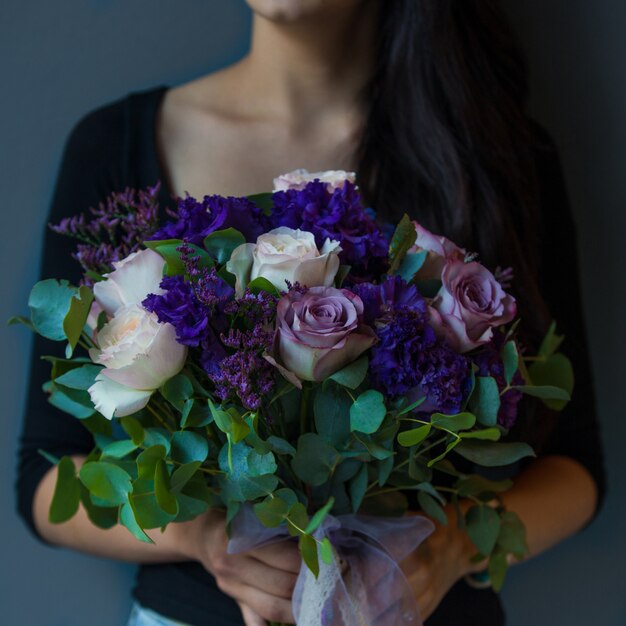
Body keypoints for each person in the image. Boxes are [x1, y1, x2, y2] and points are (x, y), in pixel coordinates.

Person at [16, 1, 605, 625]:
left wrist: (453, 545)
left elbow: (576, 468)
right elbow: (43, 475)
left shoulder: (490, 153)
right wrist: (206, 539)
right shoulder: (117, 144)